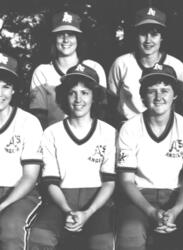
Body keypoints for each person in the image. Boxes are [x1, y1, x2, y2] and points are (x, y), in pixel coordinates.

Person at [116, 63, 183, 250]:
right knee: (131, 234)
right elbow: (127, 181)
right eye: (151, 91)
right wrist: (151, 212)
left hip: (177, 197)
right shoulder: (130, 127)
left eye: (165, 90)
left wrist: (176, 210)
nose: (158, 96)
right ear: (143, 96)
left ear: (175, 94)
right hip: (140, 198)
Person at [28, 63, 116, 250]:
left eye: (85, 93)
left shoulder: (109, 132)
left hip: (97, 203)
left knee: (104, 243)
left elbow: (109, 182)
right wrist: (68, 210)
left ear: (95, 97)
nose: (78, 99)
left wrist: (88, 212)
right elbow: (50, 181)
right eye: (72, 93)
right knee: (40, 238)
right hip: (61, 201)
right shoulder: (52, 133)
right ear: (64, 97)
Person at [108, 6, 183, 126]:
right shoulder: (121, 63)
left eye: (154, 34)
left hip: (165, 128)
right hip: (128, 127)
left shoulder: (177, 66)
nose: (148, 40)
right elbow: (111, 102)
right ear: (136, 35)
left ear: (162, 37)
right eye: (143, 34)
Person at [29, 10, 107, 129]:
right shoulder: (42, 72)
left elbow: (102, 111)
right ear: (54, 39)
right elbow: (39, 117)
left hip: (90, 136)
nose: (66, 40)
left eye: (70, 34)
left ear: (78, 38)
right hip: (55, 137)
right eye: (60, 34)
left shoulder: (94, 68)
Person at [0, 52, 43, 250]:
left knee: (9, 228)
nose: (0, 93)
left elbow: (29, 177)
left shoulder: (28, 122)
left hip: (20, 193)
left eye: (6, 87)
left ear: (14, 90)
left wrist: (2, 205)